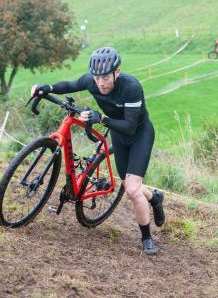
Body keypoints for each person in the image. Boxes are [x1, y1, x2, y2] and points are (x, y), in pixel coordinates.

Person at [31, 47, 165, 255]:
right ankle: (154, 198)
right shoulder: (91, 82)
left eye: (105, 77)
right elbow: (69, 85)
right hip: (118, 137)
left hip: (139, 135)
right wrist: (46, 87)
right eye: (96, 77)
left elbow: (130, 126)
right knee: (130, 185)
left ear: (116, 72)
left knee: (131, 190)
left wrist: (101, 118)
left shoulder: (131, 87)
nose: (100, 83)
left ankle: (147, 237)